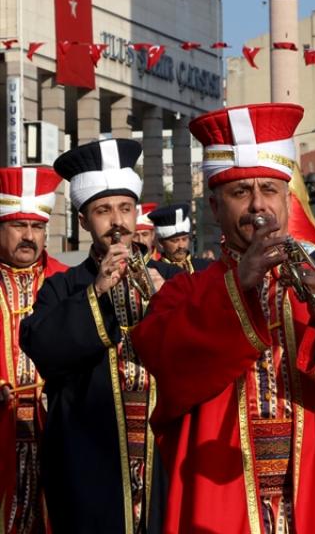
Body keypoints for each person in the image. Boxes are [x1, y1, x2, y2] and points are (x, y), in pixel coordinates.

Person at [130, 103, 315, 533]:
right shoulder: (184, 292)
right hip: (221, 498)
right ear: (214, 207)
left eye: (270, 190)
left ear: (288, 201)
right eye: (240, 192)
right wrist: (238, 286)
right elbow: (160, 354)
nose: (258, 205)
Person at [20, 139, 178, 534]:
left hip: (164, 455)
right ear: (84, 221)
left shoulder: (173, 280)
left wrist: (169, 303)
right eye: (103, 211)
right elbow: (42, 347)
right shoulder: (63, 287)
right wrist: (97, 293)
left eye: (125, 208)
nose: (117, 221)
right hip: (89, 459)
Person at [0, 166, 67, 534]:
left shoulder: (66, 282)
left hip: (57, 432)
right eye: (18, 226)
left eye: (38, 227)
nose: (29, 236)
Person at [150, 203, 211, 274]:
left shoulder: (205, 267)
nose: (181, 246)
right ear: (161, 242)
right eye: (175, 241)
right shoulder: (155, 272)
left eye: (184, 239)